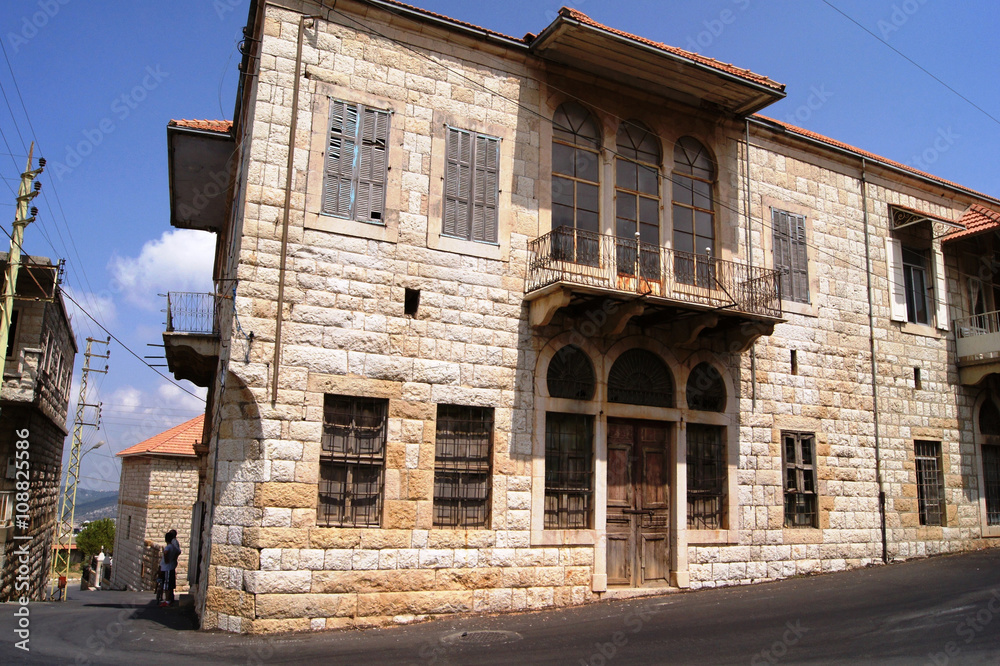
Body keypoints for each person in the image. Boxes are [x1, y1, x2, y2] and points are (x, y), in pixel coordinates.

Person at [159, 529, 181, 607]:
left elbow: (166, 552)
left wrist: (166, 559)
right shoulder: (174, 547)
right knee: (169, 585)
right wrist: (174, 558)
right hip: (170, 566)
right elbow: (178, 552)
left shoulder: (168, 547)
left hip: (167, 568)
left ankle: (167, 601)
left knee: (167, 585)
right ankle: (169, 599)